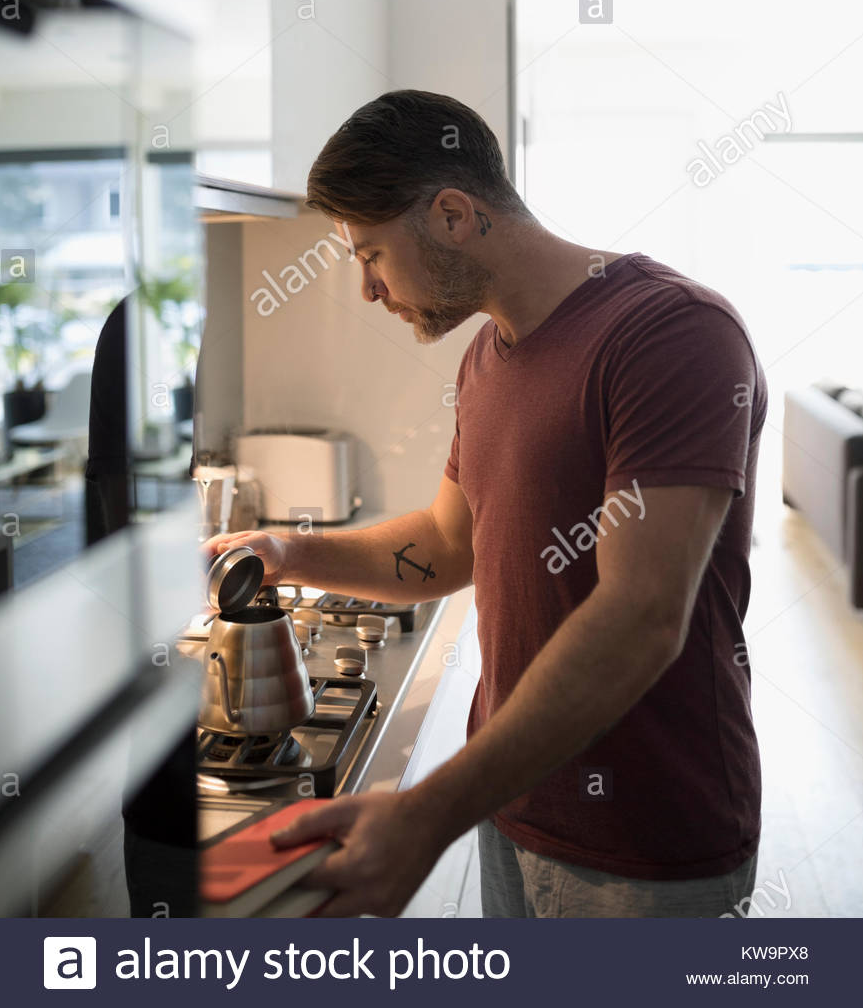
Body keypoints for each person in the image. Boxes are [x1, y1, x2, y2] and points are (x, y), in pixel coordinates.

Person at [208, 89, 767, 919]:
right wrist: (287, 550)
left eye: (371, 255)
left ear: (453, 214)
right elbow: (445, 543)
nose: (367, 289)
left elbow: (643, 615)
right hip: (513, 803)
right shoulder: (487, 358)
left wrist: (426, 814)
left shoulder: (670, 334)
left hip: (647, 842)